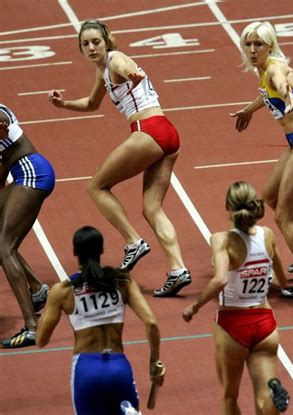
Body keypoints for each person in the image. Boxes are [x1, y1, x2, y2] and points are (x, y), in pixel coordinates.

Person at [47, 19, 190, 297]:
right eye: (85, 44)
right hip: (167, 134)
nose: (91, 47)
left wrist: (133, 73)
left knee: (96, 186)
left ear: (107, 40)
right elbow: (91, 103)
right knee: (152, 209)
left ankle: (133, 241)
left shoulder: (115, 60)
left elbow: (126, 67)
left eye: (95, 42)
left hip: (148, 131)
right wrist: (63, 104)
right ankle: (178, 269)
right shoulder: (102, 72)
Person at [230, 21, 293, 299]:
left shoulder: (274, 68)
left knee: (285, 217)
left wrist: (286, 91)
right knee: (270, 196)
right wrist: (248, 110)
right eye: (247, 44)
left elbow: (281, 81)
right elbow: (266, 94)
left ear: (270, 45)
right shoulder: (263, 71)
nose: (252, 49)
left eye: (257, 44)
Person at [182, 181, 290, 414]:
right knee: (263, 398)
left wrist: (194, 305)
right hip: (265, 326)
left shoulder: (221, 239)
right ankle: (272, 394)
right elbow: (282, 280)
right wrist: (259, 276)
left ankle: (271, 395)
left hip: (233, 327)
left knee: (230, 396)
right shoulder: (268, 235)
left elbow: (220, 279)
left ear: (227, 207)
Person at [36, 226, 165, 414]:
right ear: (102, 250)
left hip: (86, 371)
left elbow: (41, 340)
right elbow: (151, 322)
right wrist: (154, 361)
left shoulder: (63, 291)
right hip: (118, 368)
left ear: (74, 252)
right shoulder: (122, 282)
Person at [0, 103, 53, 348]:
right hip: (26, 171)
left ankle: (32, 327)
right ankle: (37, 289)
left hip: (31, 172)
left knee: (4, 248)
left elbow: (3, 121)